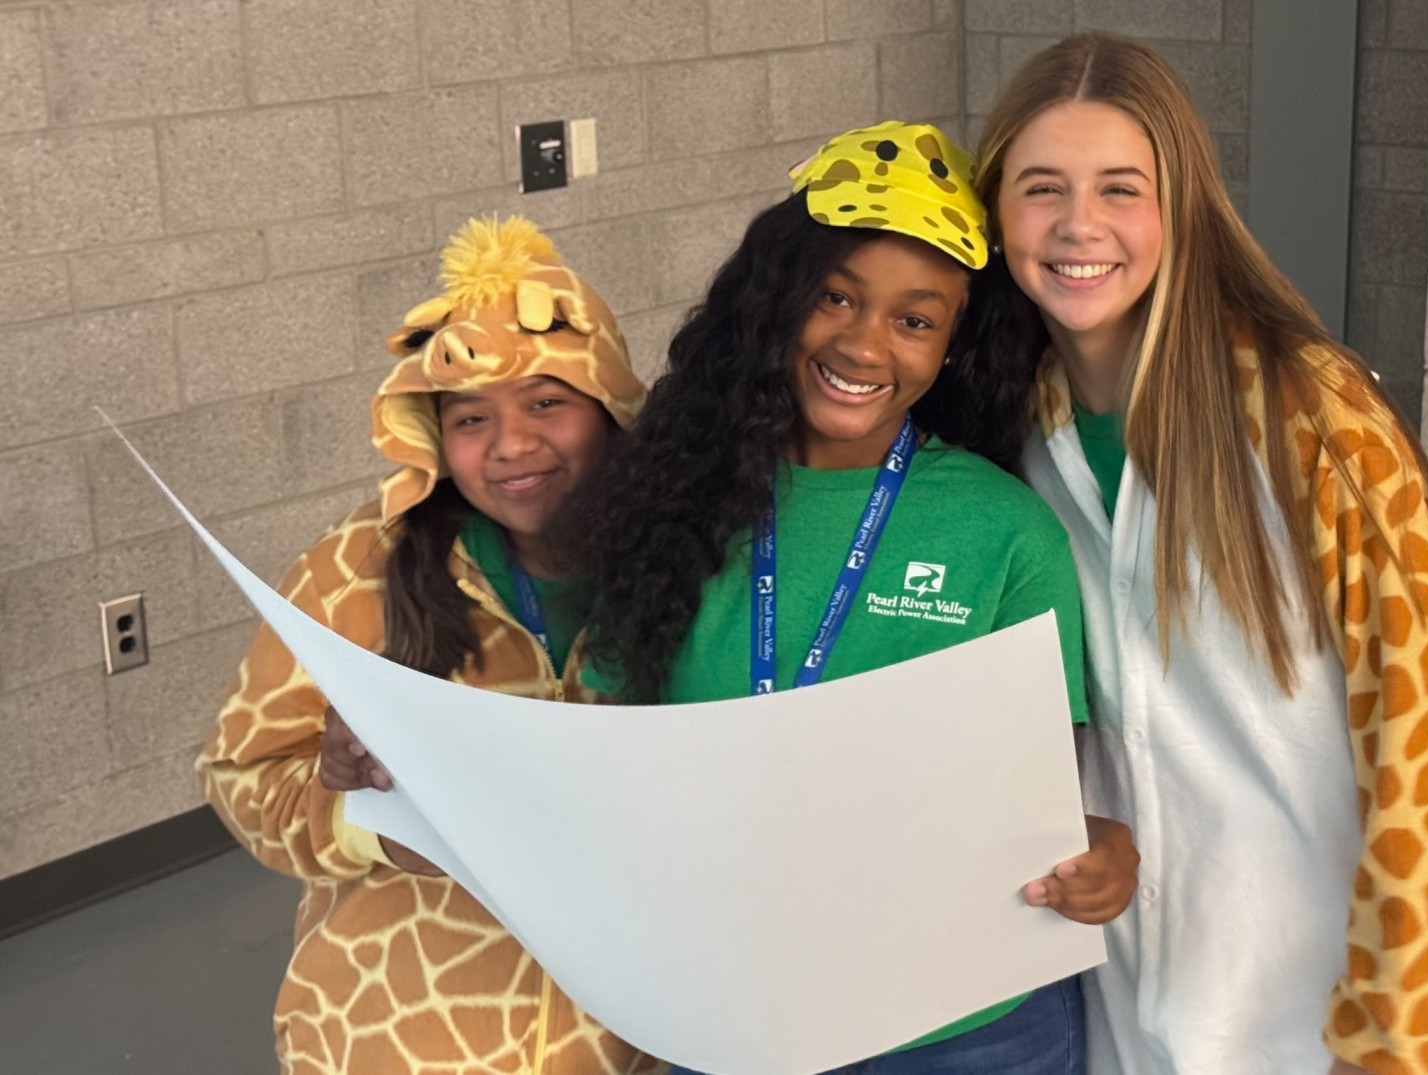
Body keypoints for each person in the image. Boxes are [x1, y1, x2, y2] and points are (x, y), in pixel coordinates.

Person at [973, 34, 1428, 1075]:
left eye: (1120, 188)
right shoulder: (1007, 434)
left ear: (1182, 208)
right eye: (1041, 188)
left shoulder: (1314, 415)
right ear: (997, 211)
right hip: (1112, 984)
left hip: (1304, 1003)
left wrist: (1411, 1033)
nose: (1078, 225)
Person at [560, 121, 1137, 1075]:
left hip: (964, 1027)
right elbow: (614, 747)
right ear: (774, 303)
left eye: (915, 320)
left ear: (953, 345)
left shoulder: (1004, 533)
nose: (866, 344)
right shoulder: (674, 507)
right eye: (835, 298)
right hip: (736, 1003)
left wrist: (1097, 850)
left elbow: (1044, 792)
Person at [197, 217, 660, 1074]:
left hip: (621, 1037)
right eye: (471, 418)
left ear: (611, 408)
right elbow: (242, 771)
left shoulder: (688, 566)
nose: (512, 446)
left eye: (548, 402)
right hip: (394, 1040)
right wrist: (360, 815)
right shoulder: (357, 568)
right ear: (434, 438)